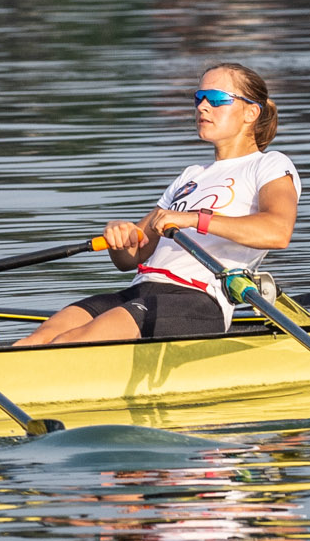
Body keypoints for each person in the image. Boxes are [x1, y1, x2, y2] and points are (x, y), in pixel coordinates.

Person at [15, 63, 295, 346]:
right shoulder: (191, 175)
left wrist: (196, 219)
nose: (203, 107)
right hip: (141, 291)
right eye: (199, 99)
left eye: (217, 99)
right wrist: (120, 236)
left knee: (74, 340)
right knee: (42, 337)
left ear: (251, 112)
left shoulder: (269, 164)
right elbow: (130, 258)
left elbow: (277, 231)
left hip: (196, 299)